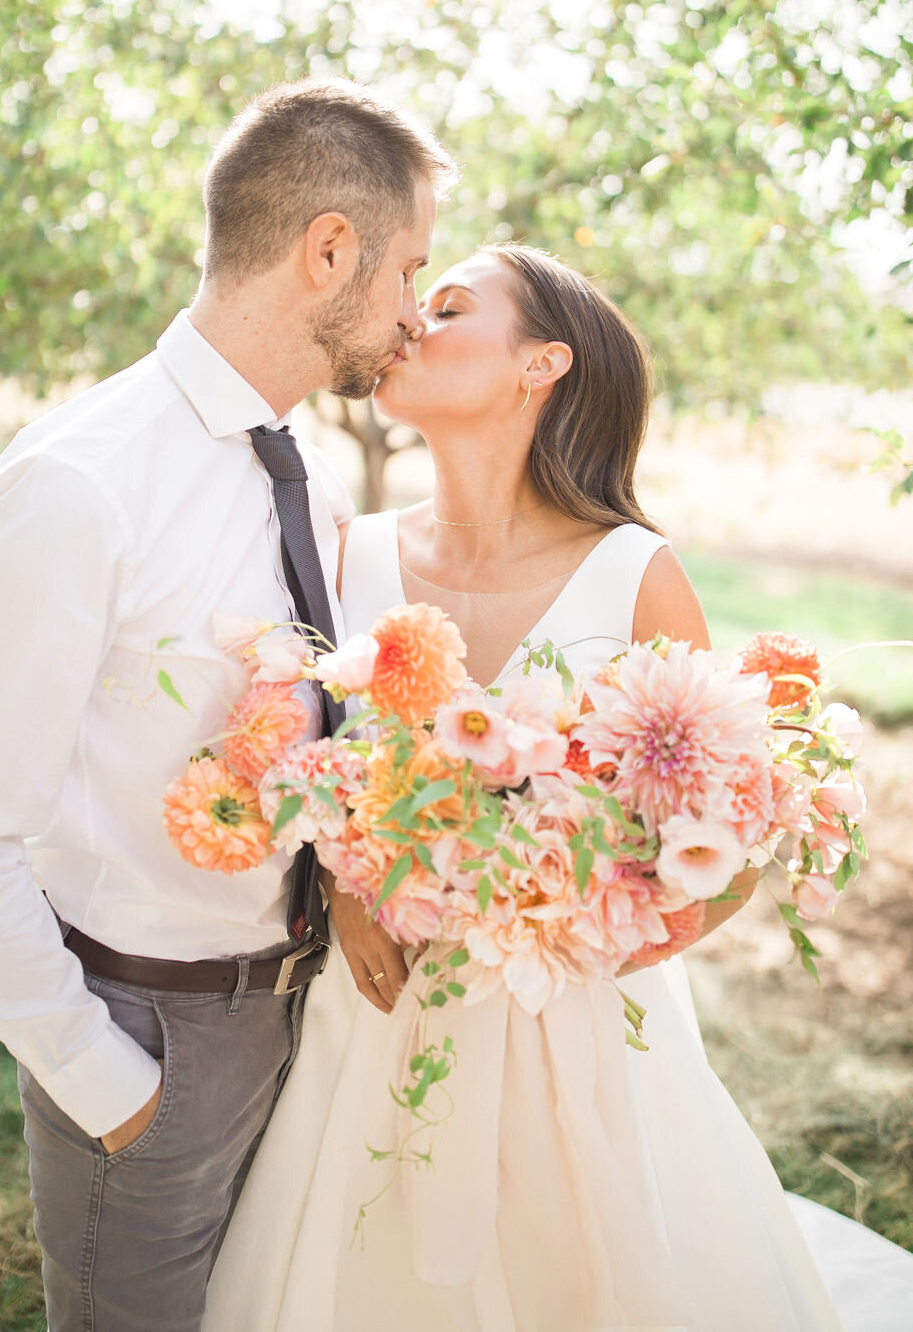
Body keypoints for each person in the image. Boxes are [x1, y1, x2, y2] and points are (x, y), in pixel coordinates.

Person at [204, 245, 863, 1330]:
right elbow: (301, 752)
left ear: (541, 363)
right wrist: (351, 883)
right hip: (377, 1016)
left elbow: (733, 821)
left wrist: (615, 923)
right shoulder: (340, 552)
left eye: (450, 305)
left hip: (580, 1032)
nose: (410, 317)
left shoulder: (633, 571)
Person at [0, 78, 456, 1332]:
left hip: (296, 1014)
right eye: (410, 270)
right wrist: (111, 1086)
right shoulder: (81, 482)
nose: (416, 315)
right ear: (328, 250)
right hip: (148, 1037)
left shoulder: (295, 477)